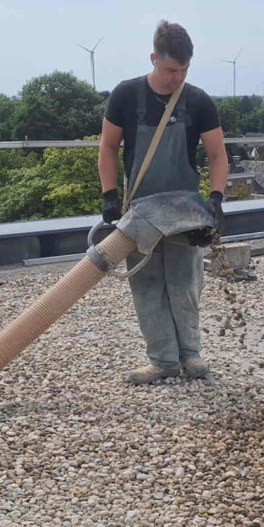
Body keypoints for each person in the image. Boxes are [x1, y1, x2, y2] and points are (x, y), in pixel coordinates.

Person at [98, 20, 229, 385]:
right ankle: (162, 360)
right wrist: (109, 195)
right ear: (154, 58)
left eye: (185, 69)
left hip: (186, 211)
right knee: (148, 286)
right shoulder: (126, 96)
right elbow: (108, 148)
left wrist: (216, 200)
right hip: (141, 209)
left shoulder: (198, 100)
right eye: (172, 69)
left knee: (185, 284)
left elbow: (218, 155)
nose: (178, 77)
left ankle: (191, 355)